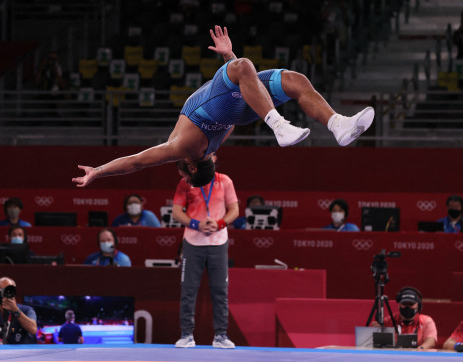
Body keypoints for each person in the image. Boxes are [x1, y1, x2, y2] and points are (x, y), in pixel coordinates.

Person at [73, 26, 374, 189]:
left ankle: (338, 125)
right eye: (185, 177)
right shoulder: (183, 148)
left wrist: (228, 55)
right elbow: (138, 161)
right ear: (192, 167)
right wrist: (98, 172)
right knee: (244, 66)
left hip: (235, 110)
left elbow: (137, 162)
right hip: (217, 110)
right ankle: (279, 126)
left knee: (294, 80)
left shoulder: (207, 151)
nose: (180, 175)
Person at [170, 158, 239, 349]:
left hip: (218, 241)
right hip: (193, 241)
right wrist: (196, 224)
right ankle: (186, 335)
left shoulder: (224, 181)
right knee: (188, 291)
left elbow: (234, 209)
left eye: (212, 155)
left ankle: (221, 336)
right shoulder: (186, 181)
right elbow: (176, 211)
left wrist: (219, 223)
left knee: (220, 291)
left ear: (215, 158)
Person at [372, 287, 437, 350]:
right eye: (404, 304)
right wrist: (376, 330)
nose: (407, 307)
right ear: (399, 305)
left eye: (411, 304)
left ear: (418, 305)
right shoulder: (389, 321)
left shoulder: (426, 321)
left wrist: (419, 349)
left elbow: (431, 341)